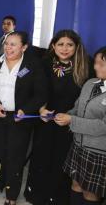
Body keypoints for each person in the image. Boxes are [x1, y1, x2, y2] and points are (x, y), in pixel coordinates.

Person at [24, 30, 92, 205]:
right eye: (60, 44)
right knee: (41, 158)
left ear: (76, 47)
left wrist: (72, 117)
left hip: (69, 123)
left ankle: (58, 198)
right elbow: (33, 91)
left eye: (70, 44)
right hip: (45, 120)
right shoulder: (44, 64)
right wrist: (40, 109)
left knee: (62, 161)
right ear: (53, 46)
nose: (65, 48)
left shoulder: (86, 66)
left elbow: (88, 100)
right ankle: (37, 196)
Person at [0, 31, 48, 205]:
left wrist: (25, 109)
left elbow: (40, 93)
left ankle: (11, 194)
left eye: (13, 44)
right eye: (7, 43)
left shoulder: (33, 65)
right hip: (0, 115)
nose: (8, 47)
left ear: (24, 47)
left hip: (21, 117)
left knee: (15, 155)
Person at [56, 46, 106, 205]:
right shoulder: (90, 83)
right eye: (96, 62)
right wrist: (65, 115)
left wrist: (71, 121)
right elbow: (77, 108)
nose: (96, 66)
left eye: (101, 64)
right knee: (76, 184)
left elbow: (102, 126)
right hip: (78, 146)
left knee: (90, 192)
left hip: (98, 152)